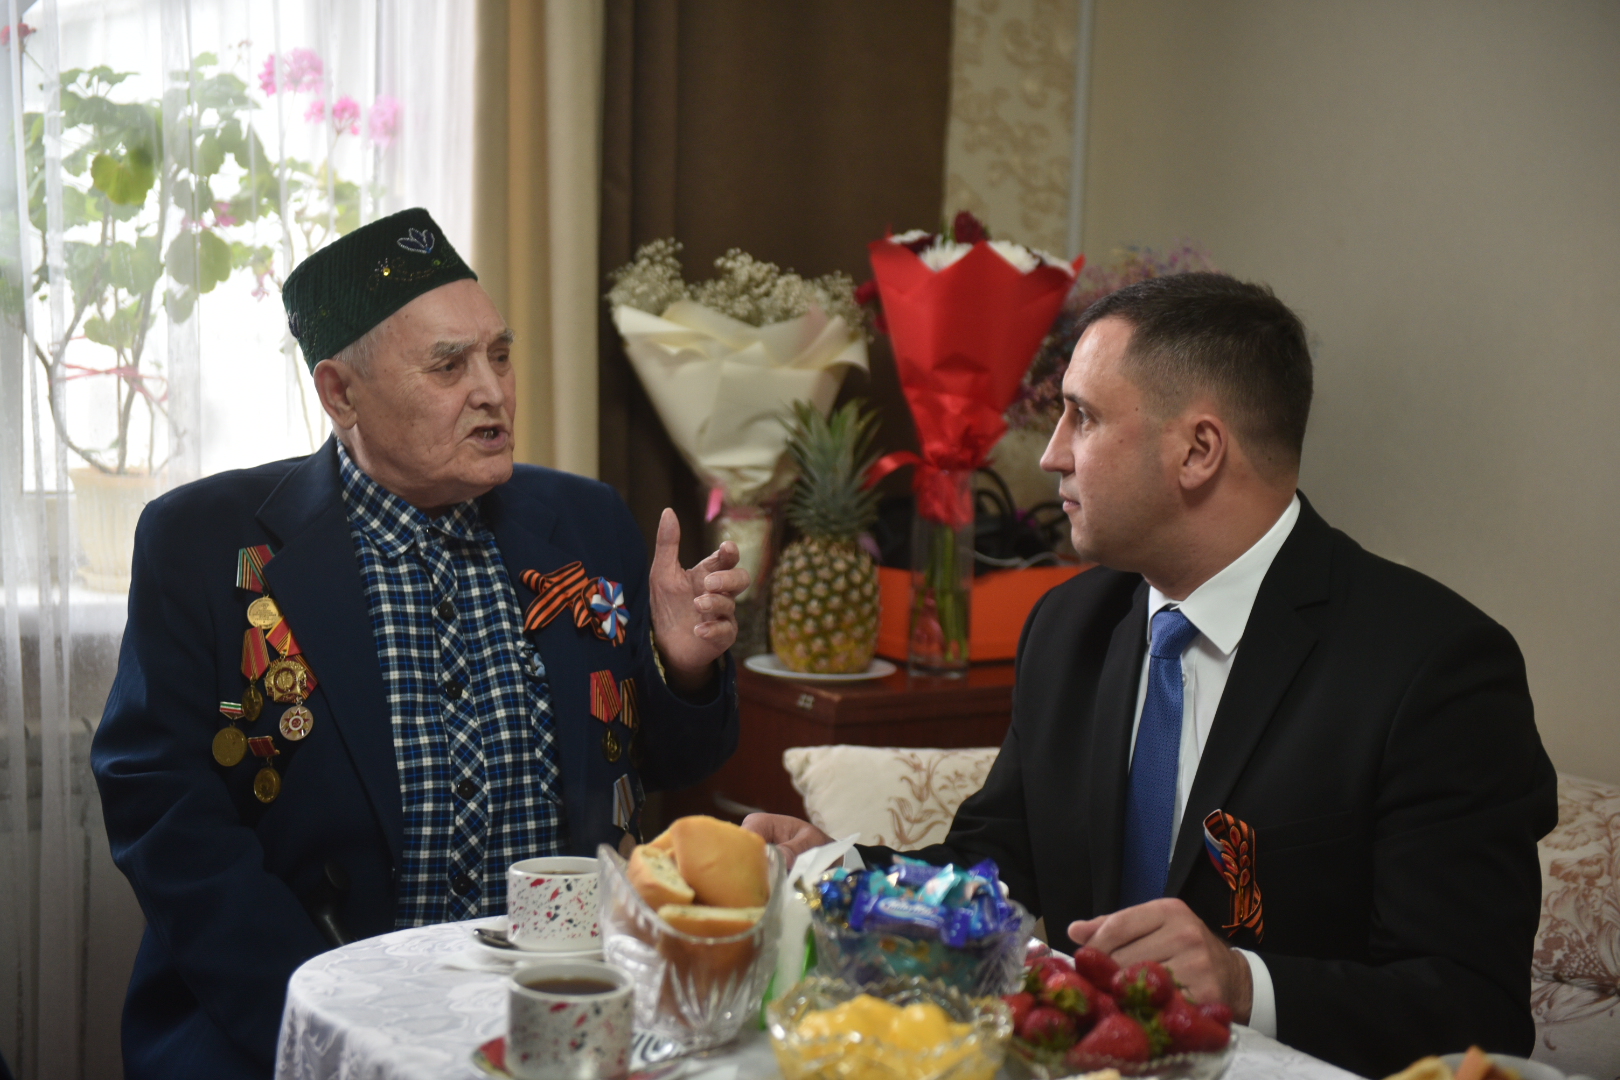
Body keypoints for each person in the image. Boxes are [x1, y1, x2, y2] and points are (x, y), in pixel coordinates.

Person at [746, 273, 1557, 1077]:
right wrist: (842, 872)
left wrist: (1245, 983)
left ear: (1198, 451)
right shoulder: (1068, 626)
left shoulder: (1436, 667)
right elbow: (1000, 862)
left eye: (1084, 417)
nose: (1053, 454)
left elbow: (1476, 1010)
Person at [91, 209, 748, 1080]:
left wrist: (686, 669)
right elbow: (165, 815)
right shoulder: (204, 543)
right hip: (294, 1013)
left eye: (500, 356)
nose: (493, 391)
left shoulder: (584, 522)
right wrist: (335, 1016)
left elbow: (668, 765)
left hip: (558, 1013)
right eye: (449, 366)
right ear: (340, 394)